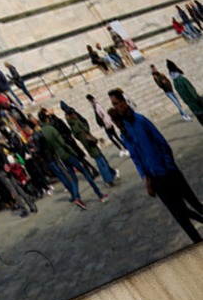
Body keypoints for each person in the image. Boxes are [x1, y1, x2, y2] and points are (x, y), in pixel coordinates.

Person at [109, 88, 203, 243]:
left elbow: (162, 144)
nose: (115, 107)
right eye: (113, 104)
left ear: (124, 102)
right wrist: (144, 176)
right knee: (180, 216)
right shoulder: (124, 132)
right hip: (156, 180)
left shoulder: (141, 121)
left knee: (195, 204)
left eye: (116, 103)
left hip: (169, 173)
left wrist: (168, 166)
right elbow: (135, 158)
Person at [39, 110, 107, 208]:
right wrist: (72, 151)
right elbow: (62, 143)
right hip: (67, 153)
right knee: (85, 172)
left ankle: (77, 198)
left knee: (74, 178)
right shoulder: (51, 129)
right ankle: (99, 194)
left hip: (60, 156)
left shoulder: (43, 132)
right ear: (46, 118)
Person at [63, 103, 116, 188]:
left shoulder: (73, 127)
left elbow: (76, 136)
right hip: (90, 143)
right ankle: (108, 179)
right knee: (101, 161)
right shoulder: (78, 123)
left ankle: (110, 175)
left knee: (100, 160)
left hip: (87, 145)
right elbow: (86, 129)